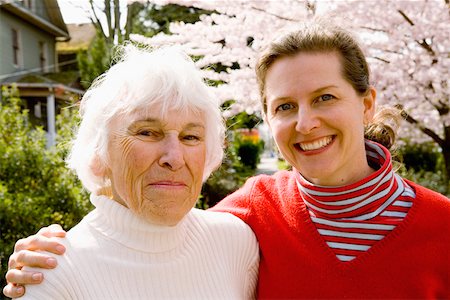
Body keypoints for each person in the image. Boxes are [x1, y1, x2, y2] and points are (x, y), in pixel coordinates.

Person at [4, 19, 450, 299]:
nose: (306, 123)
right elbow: (150, 223)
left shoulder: (442, 228)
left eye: (325, 97)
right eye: (285, 106)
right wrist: (51, 251)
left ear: (367, 103)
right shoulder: (253, 215)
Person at [3, 44, 259, 299]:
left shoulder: (237, 244)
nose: (174, 157)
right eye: (147, 132)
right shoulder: (54, 274)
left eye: (190, 137)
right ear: (100, 151)